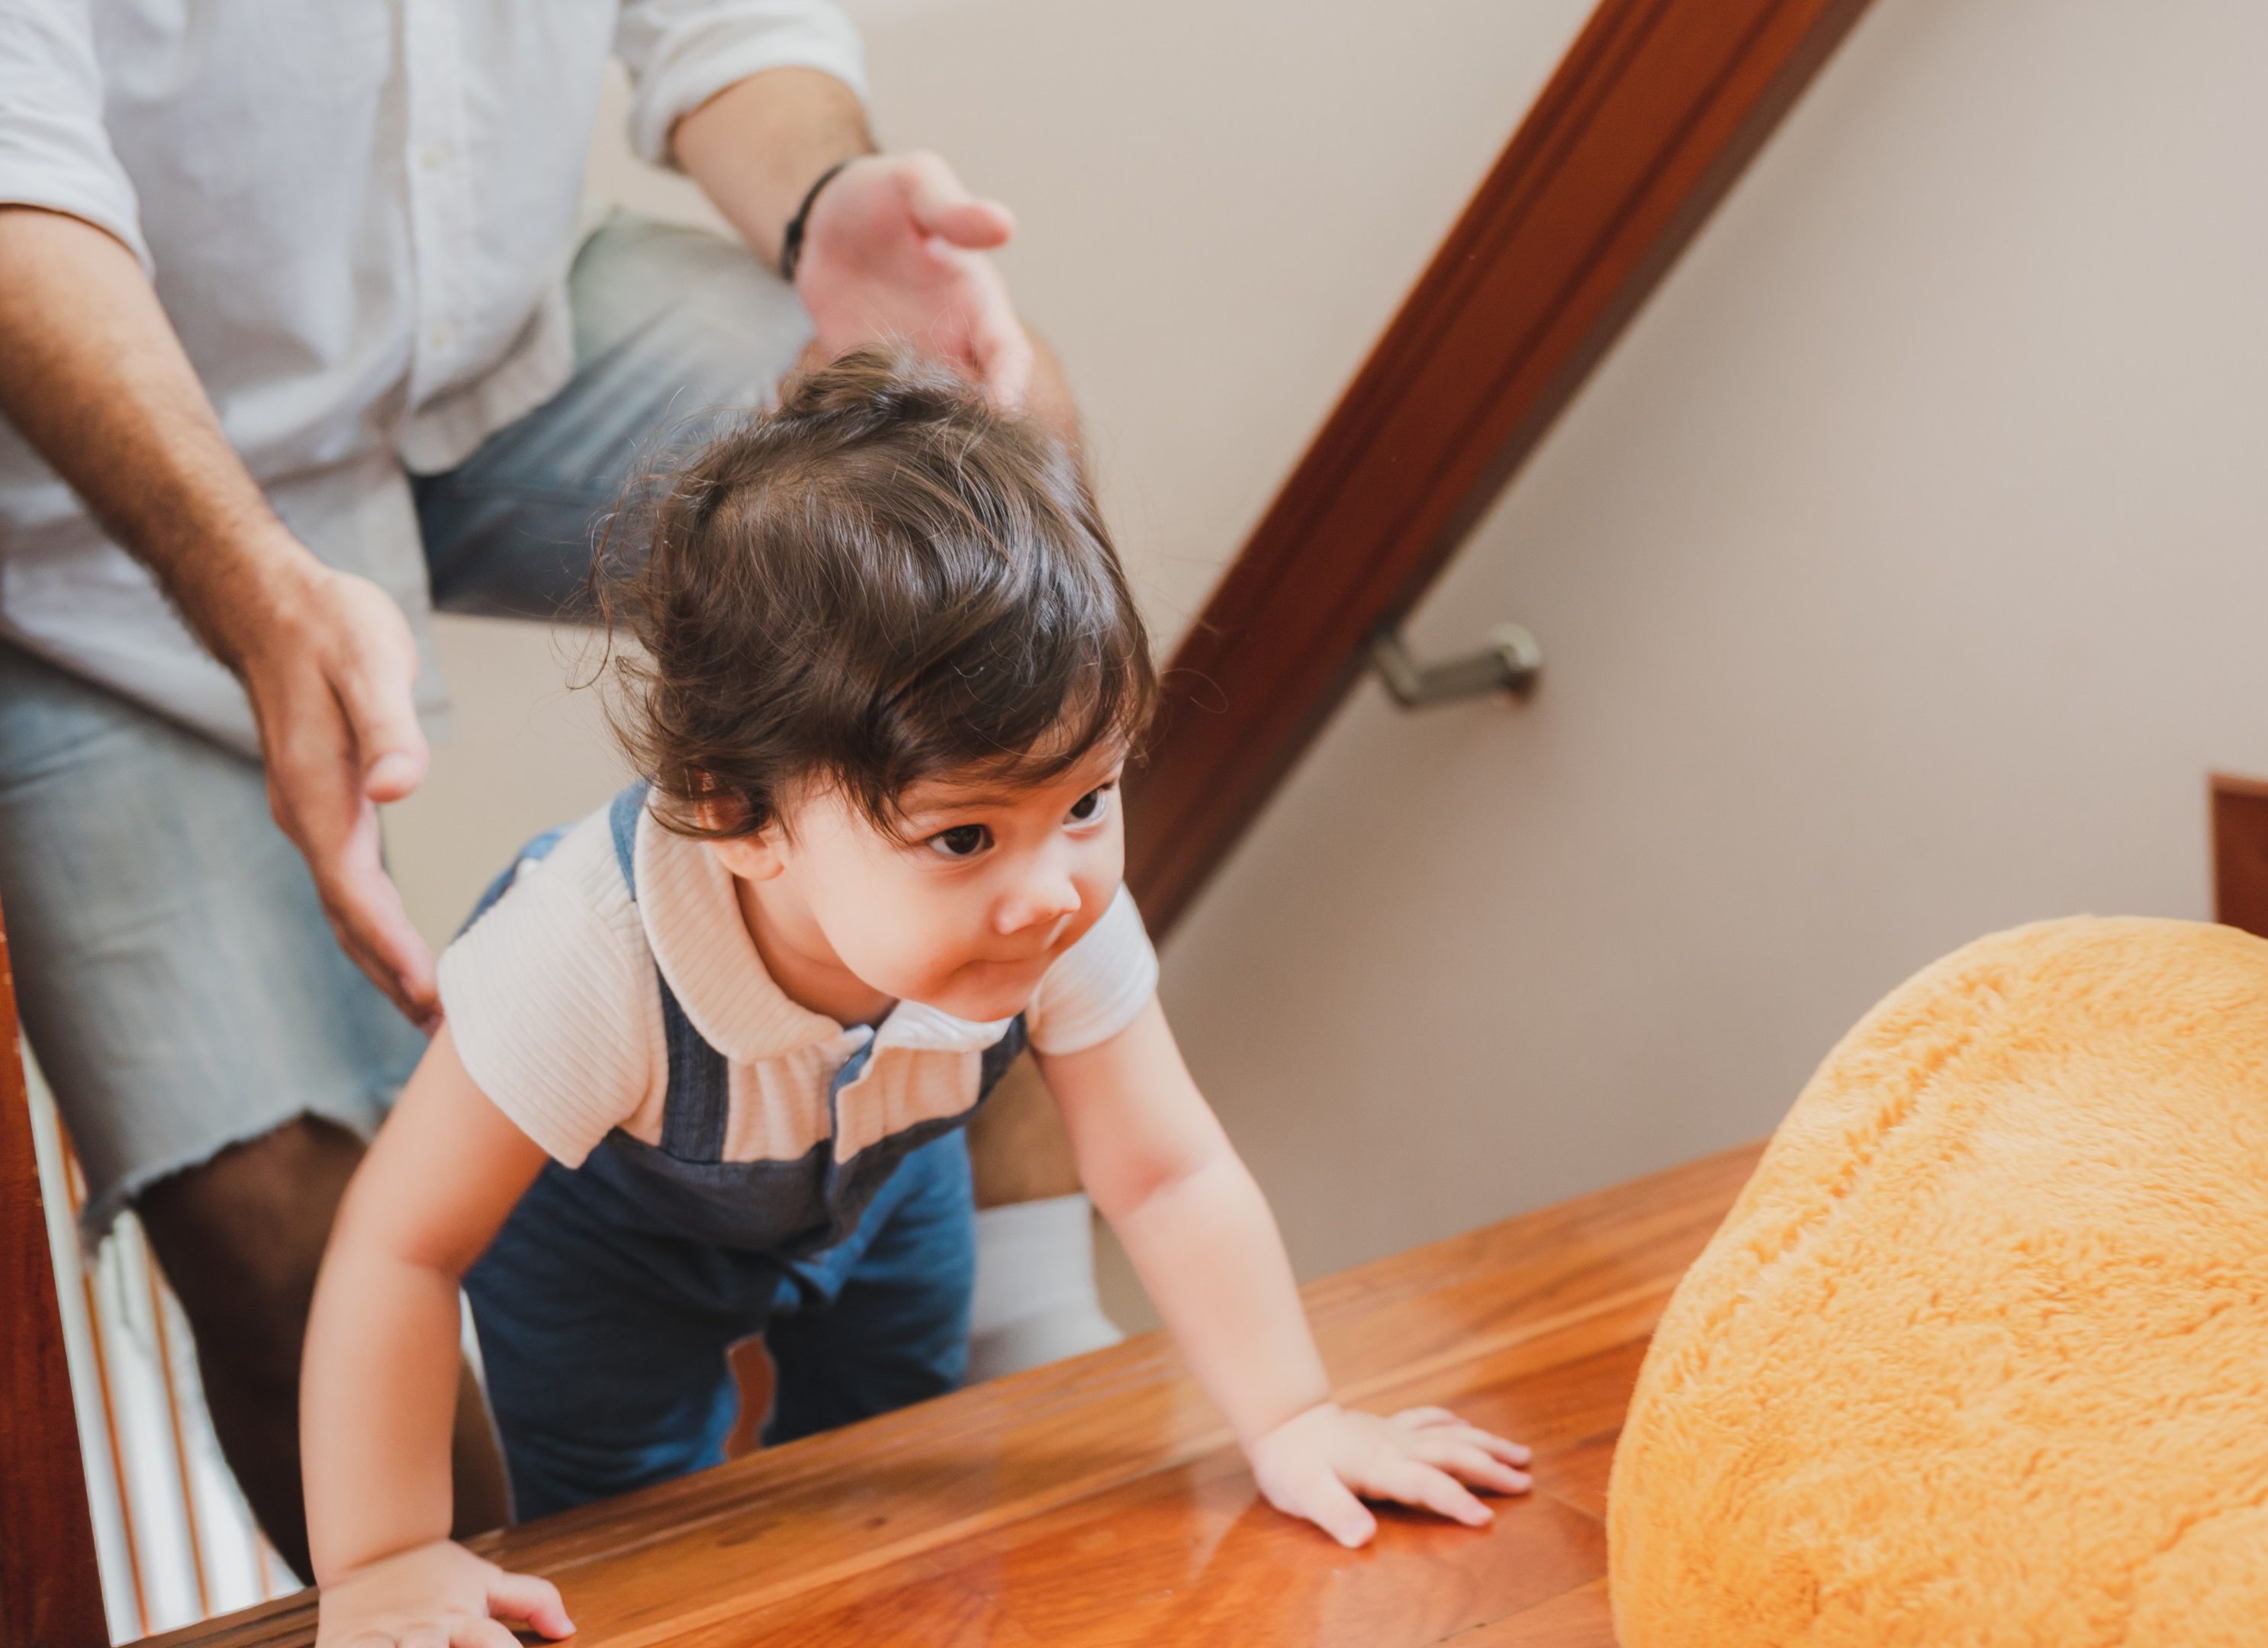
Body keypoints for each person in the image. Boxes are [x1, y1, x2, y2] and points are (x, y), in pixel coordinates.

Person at [0, 3, 1087, 1577]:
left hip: (485, 351)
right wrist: (248, 585)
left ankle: (1040, 1325)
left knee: (994, 448)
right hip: (77, 494)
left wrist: (819, 197)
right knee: (275, 1234)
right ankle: (489, 1591)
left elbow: (730, 25)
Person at [298, 352, 1535, 1645]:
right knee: (632, 1537)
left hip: (880, 1187)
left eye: (1087, 802)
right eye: (964, 838)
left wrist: (1290, 1418)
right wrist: (383, 1560)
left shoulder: (1048, 911)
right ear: (739, 815)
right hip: (611, 1247)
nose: (1051, 891)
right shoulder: (584, 961)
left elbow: (1164, 1171)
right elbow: (400, 1244)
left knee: (890, 1462)